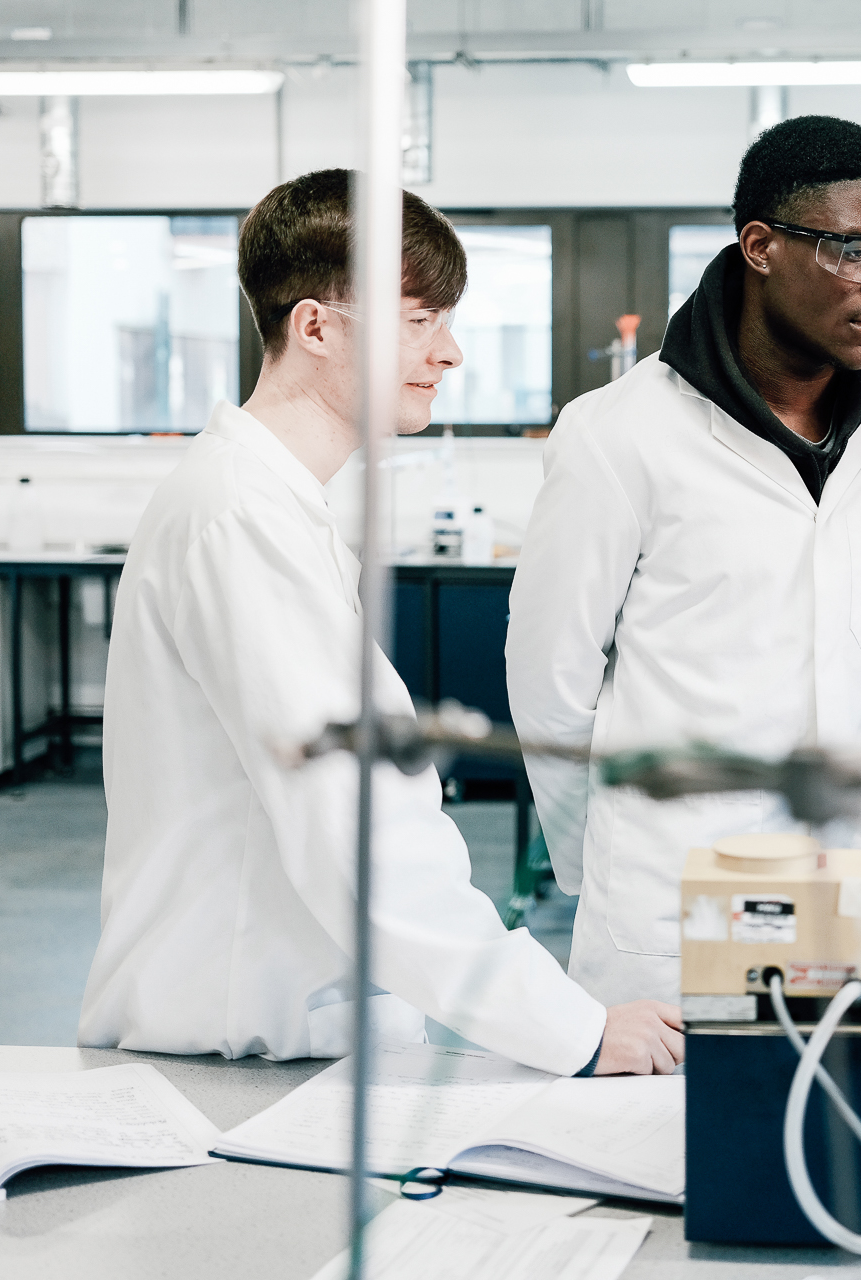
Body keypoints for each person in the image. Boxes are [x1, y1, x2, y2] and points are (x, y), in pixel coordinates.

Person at [79, 170, 681, 1077]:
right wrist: (575, 1028)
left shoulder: (269, 505)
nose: (449, 353)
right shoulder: (242, 517)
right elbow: (359, 829)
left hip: (270, 1033)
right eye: (418, 320)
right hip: (239, 1048)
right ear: (315, 327)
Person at [507, 115, 861, 1005]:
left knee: (838, 1132)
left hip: (856, 880)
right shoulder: (619, 433)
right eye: (853, 250)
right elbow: (549, 679)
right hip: (676, 884)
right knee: (653, 1140)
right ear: (760, 246)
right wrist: (605, 852)